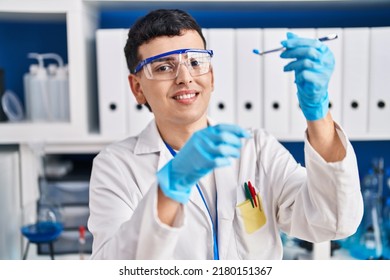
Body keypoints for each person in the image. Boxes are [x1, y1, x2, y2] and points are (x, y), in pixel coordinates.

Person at [88, 8, 363, 260]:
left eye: (195, 62)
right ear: (137, 88)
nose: (185, 77)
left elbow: (333, 221)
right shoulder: (116, 167)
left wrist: (318, 113)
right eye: (163, 67)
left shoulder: (256, 148)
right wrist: (170, 188)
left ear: (212, 76)